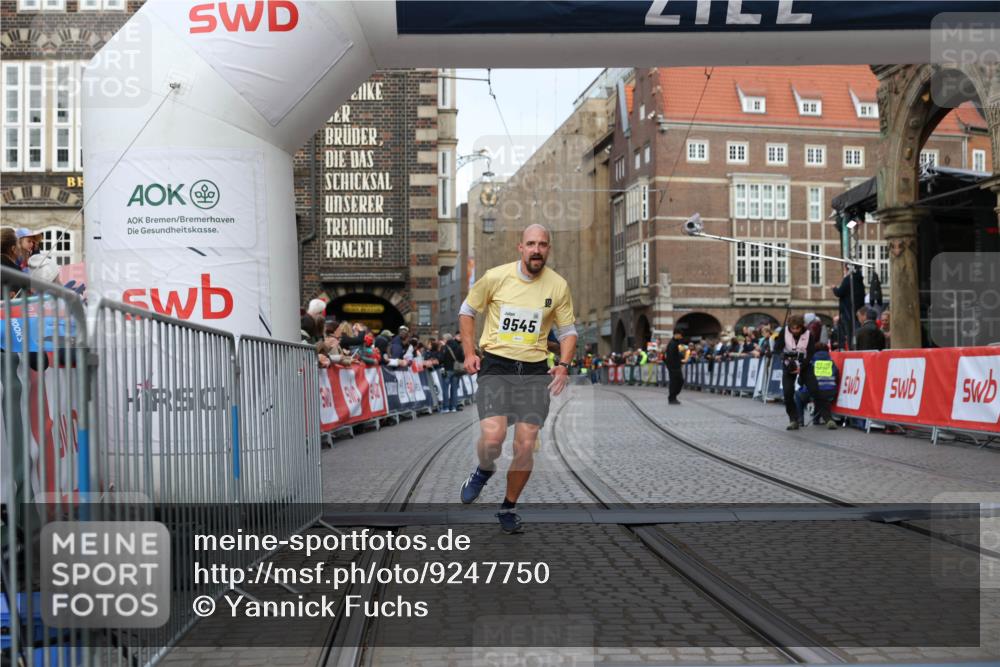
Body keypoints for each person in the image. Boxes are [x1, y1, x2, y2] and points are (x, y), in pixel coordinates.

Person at [457, 224, 577, 534]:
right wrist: (469, 352)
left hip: (535, 371)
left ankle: (508, 506)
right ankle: (484, 469)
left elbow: (567, 331)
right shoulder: (496, 277)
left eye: (543, 244)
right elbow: (467, 310)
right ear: (520, 248)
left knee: (525, 445)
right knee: (494, 440)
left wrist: (563, 364)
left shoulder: (558, 285)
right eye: (531, 244)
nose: (537, 249)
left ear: (548, 249)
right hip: (498, 365)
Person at [772, 314, 826, 430]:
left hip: (805, 365)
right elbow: (777, 348)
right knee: (787, 392)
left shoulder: (808, 334)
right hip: (788, 365)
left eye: (798, 328)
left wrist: (802, 366)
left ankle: (828, 417)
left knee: (814, 389)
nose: (795, 330)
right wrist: (783, 357)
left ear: (802, 327)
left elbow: (811, 352)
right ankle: (793, 419)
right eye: (793, 328)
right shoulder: (784, 332)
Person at [832, 264, 865, 349]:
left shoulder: (848, 279)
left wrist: (834, 288)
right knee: (856, 330)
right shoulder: (859, 280)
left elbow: (840, 292)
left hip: (848, 311)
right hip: (857, 311)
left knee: (850, 332)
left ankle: (852, 349)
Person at [665, 329, 685, 405]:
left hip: (676, 366)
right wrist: (672, 366)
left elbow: (677, 354)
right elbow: (671, 356)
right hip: (674, 367)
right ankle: (672, 398)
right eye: (680, 335)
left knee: (678, 381)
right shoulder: (672, 343)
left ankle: (673, 397)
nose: (681, 336)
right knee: (675, 382)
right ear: (676, 334)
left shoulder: (676, 342)